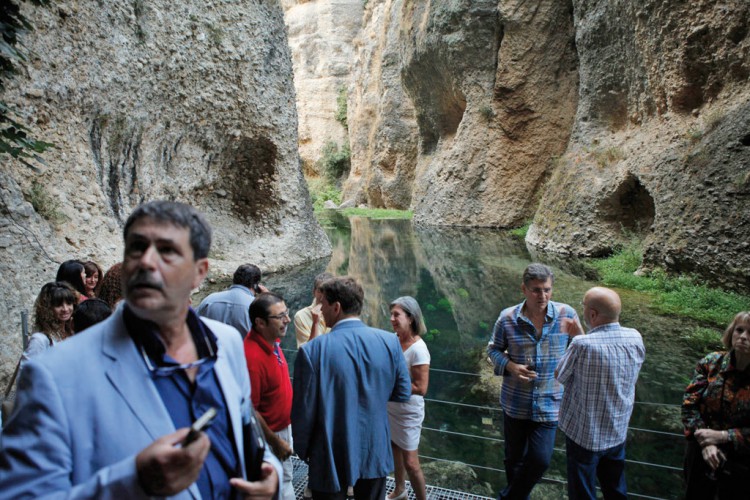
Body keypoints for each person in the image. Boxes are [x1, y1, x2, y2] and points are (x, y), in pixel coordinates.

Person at [0, 200, 281, 498]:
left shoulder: (226, 342)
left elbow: (244, 435)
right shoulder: (53, 375)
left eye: (167, 251)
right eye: (137, 247)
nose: (146, 261)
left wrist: (270, 474)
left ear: (200, 273)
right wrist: (134, 482)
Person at [291, 276, 411, 499]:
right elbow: (403, 392)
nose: (320, 310)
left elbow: (303, 410)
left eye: (323, 304)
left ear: (336, 307)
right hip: (373, 445)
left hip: (328, 450)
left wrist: (303, 450)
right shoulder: (389, 342)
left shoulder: (312, 351)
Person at [487, 262, 583, 499]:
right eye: (536, 290)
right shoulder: (508, 318)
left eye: (547, 289)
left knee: (540, 459)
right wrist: (510, 366)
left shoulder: (566, 314)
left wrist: (579, 334)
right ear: (524, 289)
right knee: (513, 460)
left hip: (550, 402)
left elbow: (581, 350)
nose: (543, 295)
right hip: (515, 402)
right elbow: (493, 350)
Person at [555, 287, 645, 499]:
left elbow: (560, 375)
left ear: (592, 314)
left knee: (582, 492)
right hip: (617, 432)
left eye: (583, 305)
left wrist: (578, 336)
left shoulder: (582, 344)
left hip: (585, 436)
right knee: (615, 488)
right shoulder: (635, 337)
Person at [681, 311, 750, 499]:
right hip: (700, 453)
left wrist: (722, 436)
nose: (743, 337)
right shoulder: (712, 363)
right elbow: (689, 405)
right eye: (740, 330)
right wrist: (706, 442)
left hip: (741, 462)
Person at [245, 292, 295, 500]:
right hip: (271, 435)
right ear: (260, 323)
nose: (287, 320)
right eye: (280, 316)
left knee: (286, 478)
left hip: (283, 427)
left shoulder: (271, 341)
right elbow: (249, 410)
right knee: (280, 484)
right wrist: (275, 442)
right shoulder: (252, 358)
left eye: (287, 313)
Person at [386, 297, 430, 500]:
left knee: (412, 463)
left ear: (411, 318)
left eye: (397, 315)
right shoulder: (394, 340)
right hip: (391, 408)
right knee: (394, 447)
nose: (392, 319)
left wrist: (390, 385)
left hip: (408, 412)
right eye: (392, 314)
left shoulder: (419, 349)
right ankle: (400, 489)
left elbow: (421, 388)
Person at [197, 263, 267, 337]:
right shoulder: (256, 306)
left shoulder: (209, 300)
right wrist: (269, 298)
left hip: (211, 347)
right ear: (256, 286)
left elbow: (194, 324)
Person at [21, 281, 77, 367]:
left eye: (69, 303)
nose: (65, 309)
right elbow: (26, 374)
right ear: (48, 308)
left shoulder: (70, 332)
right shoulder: (40, 340)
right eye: (59, 305)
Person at [294, 272, 333, 347]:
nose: (323, 296)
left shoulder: (338, 313)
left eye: (328, 292)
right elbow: (306, 351)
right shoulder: (301, 316)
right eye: (320, 291)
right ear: (313, 292)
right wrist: (315, 323)